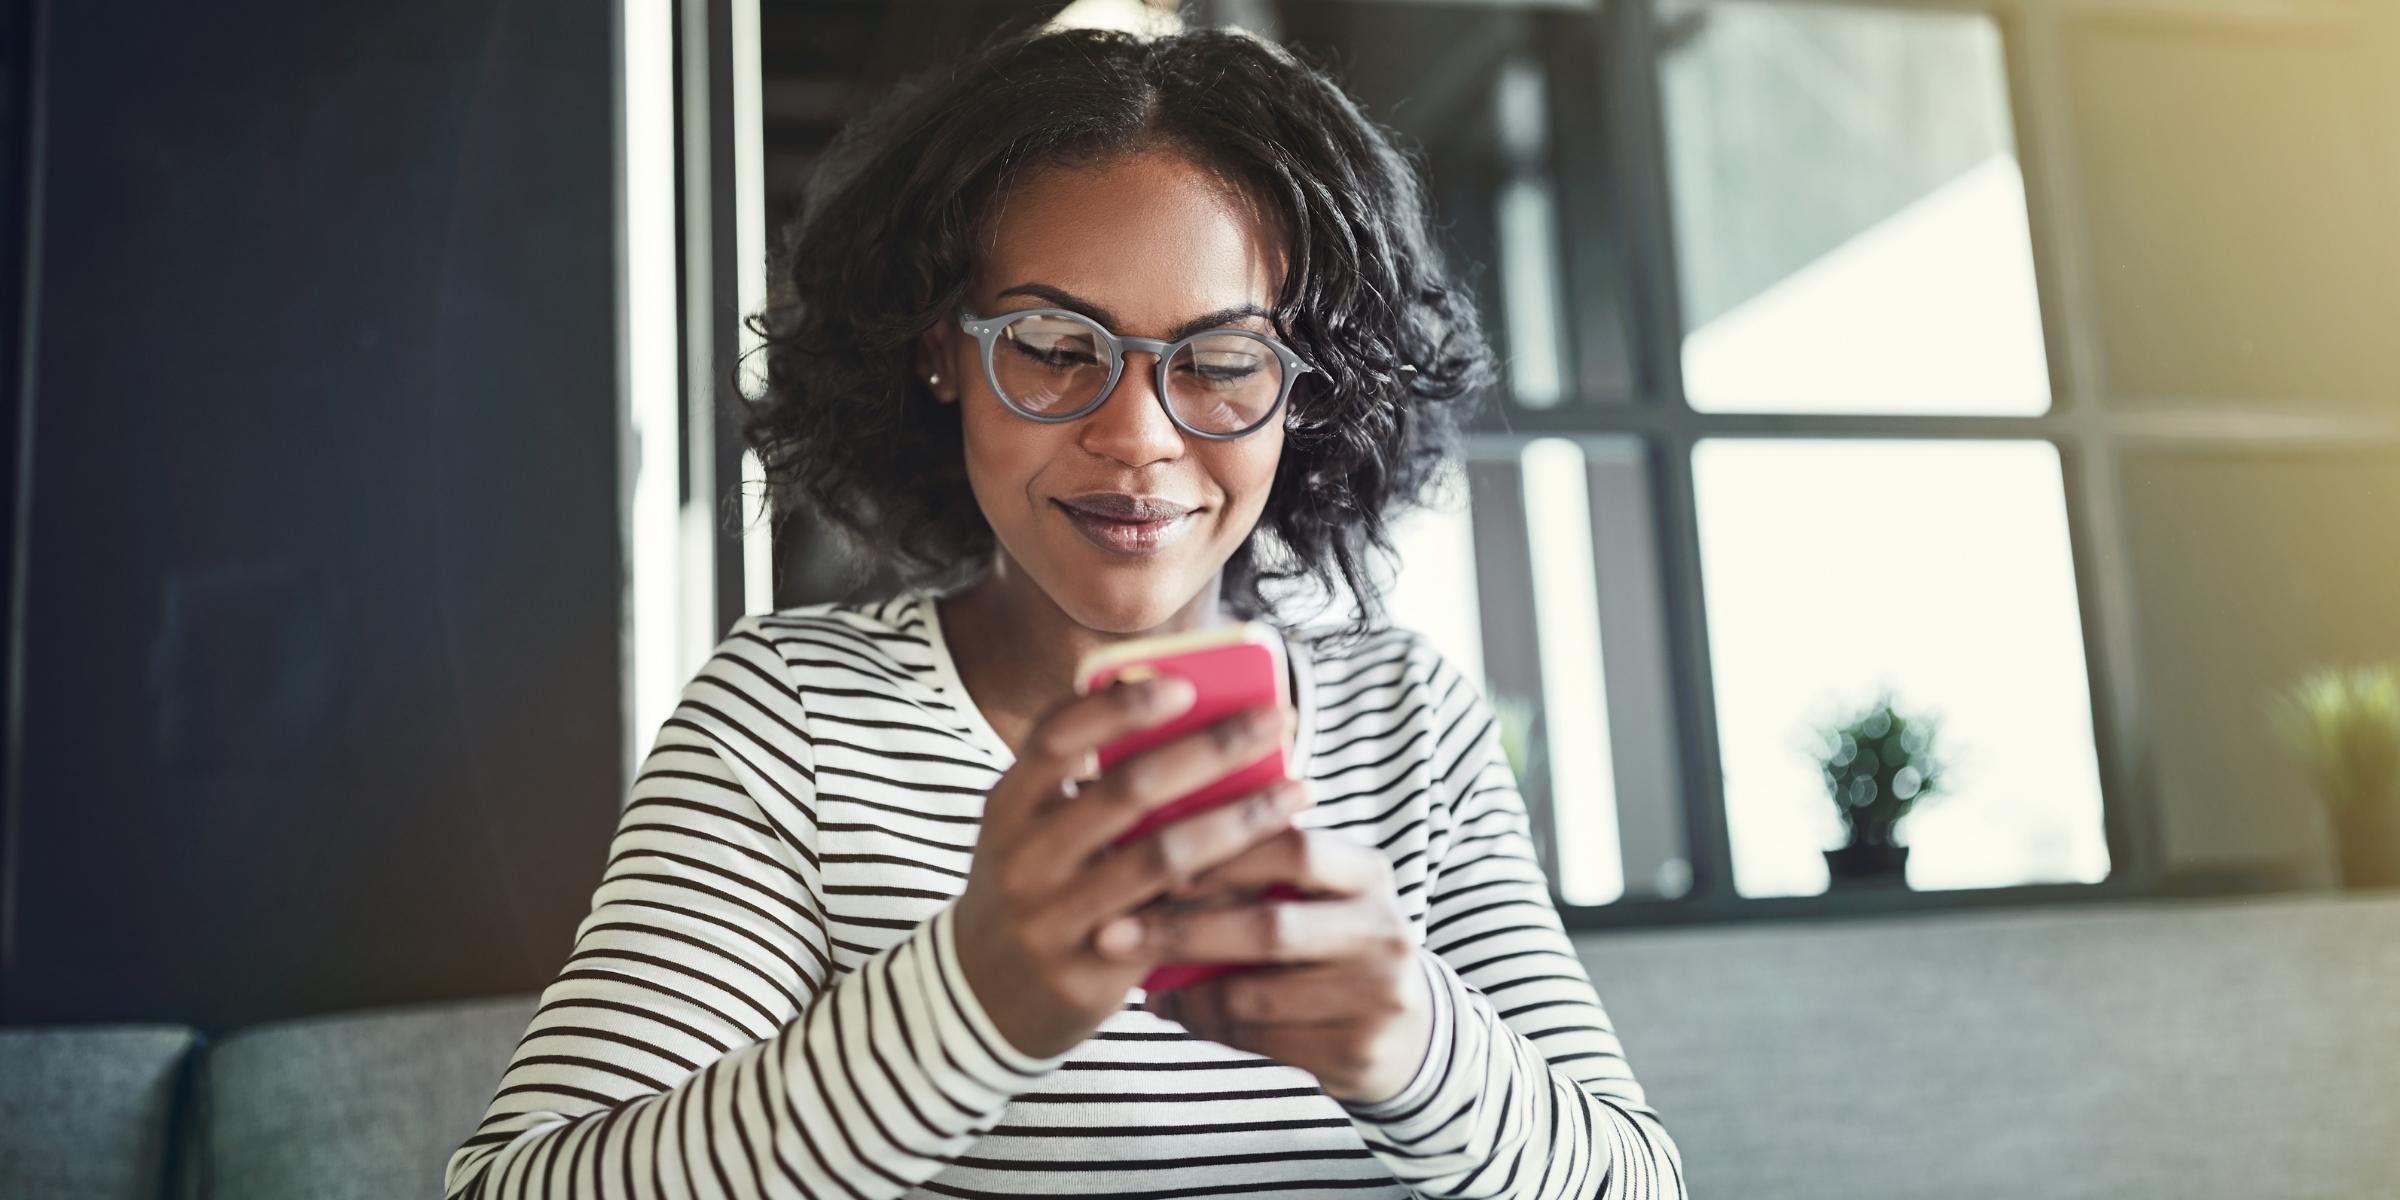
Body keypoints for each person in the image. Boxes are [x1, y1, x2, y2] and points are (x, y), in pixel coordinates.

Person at [444, 23, 1682, 1200]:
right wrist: (963, 1006)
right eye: (1051, 346)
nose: (1136, 435)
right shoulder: (792, 724)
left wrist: (1419, 1048)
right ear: (941, 349)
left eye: (1223, 361)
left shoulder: (1405, 722)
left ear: (1308, 392)